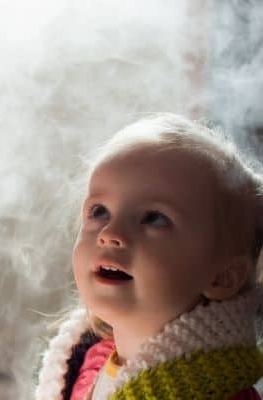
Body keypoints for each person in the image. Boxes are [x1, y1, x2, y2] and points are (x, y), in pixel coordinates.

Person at [35, 113, 263, 400]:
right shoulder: (84, 365)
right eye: (99, 211)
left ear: (223, 276)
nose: (110, 232)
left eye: (154, 218)